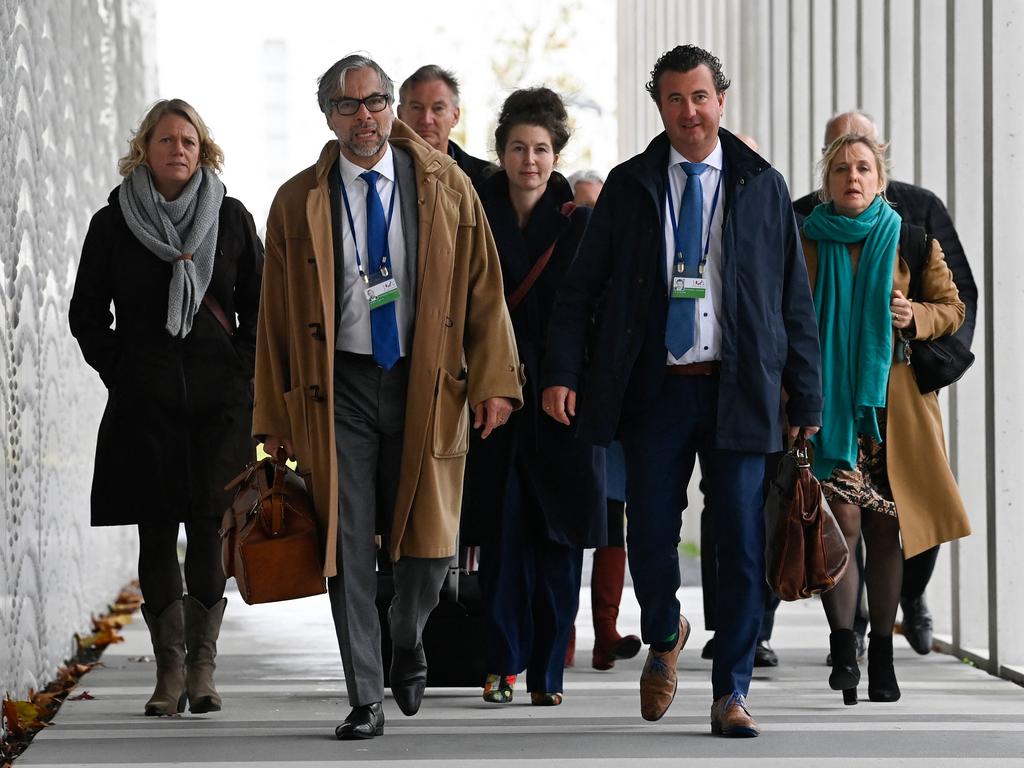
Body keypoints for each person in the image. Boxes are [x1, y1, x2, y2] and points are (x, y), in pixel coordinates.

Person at [541, 44, 822, 737]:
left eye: (700, 97)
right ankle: (665, 632)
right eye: (675, 99)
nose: (689, 112)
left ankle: (732, 691)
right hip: (654, 389)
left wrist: (806, 398)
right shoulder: (631, 185)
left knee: (740, 540)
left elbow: (794, 300)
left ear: (720, 101)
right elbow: (581, 290)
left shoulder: (762, 184)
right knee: (652, 536)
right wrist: (560, 373)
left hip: (740, 389)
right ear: (660, 106)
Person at [253, 54, 523, 741]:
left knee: (430, 550)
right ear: (328, 115)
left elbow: (483, 290)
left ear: (392, 106)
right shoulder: (296, 200)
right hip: (334, 387)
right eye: (348, 106)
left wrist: (495, 379)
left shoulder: (443, 183)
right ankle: (365, 694)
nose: (365, 118)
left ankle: (407, 635)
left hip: (424, 381)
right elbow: (274, 321)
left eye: (376, 102)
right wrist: (273, 418)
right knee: (345, 543)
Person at [69, 99, 264, 717]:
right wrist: (122, 369)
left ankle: (203, 671)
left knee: (209, 530)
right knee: (155, 531)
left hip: (220, 406)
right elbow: (86, 314)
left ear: (201, 150)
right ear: (144, 150)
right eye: (165, 140)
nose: (177, 150)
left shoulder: (231, 218)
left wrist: (243, 373)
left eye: (188, 141)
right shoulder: (113, 223)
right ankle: (169, 673)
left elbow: (261, 309)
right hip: (144, 404)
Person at [795, 110, 978, 656]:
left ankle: (880, 649)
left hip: (893, 411)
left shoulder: (912, 240)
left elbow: (953, 309)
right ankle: (843, 640)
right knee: (842, 520)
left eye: (863, 168)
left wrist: (914, 316)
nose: (853, 177)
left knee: (884, 528)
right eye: (841, 169)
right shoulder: (802, 240)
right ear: (825, 182)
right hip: (827, 409)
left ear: (881, 179)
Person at [462, 88, 605, 706]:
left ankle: (549, 670)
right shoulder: (474, 213)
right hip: (492, 396)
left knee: (557, 541)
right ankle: (499, 663)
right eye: (519, 148)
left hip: (559, 401)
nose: (530, 160)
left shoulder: (579, 222)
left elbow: (591, 312)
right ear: (501, 152)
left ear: (557, 154)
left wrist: (570, 380)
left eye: (542, 149)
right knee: (498, 537)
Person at [562, 168, 642, 673]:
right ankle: (563, 631)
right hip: (569, 408)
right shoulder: (562, 256)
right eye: (581, 210)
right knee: (571, 525)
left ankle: (606, 633)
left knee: (613, 520)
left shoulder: (627, 257)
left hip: (614, 408)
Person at [397, 64, 496, 193]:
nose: (427, 120)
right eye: (417, 107)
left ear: (455, 116)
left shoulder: (488, 179)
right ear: (400, 114)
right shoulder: (381, 173)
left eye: (438, 108)